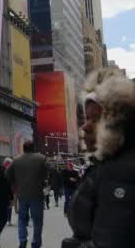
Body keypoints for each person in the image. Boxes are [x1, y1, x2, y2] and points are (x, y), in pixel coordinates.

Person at [62, 67, 135, 248]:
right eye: (86, 118)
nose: (85, 127)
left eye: (95, 119)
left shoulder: (121, 172)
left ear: (116, 123)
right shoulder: (108, 165)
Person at [6, 140, 48, 248]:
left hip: (22, 195)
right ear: (33, 148)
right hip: (37, 195)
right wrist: (43, 180)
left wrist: (15, 184)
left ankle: (22, 240)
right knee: (37, 221)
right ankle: (36, 243)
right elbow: (49, 171)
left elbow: (7, 175)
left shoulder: (16, 160)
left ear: (23, 149)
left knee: (22, 219)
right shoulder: (41, 158)